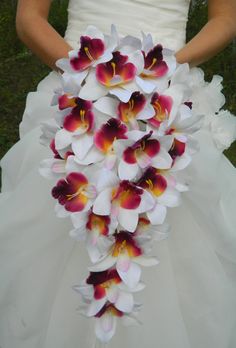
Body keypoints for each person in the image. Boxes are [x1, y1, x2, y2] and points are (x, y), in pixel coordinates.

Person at [0, 0, 236, 347]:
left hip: (166, 92)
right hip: (77, 89)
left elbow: (226, 19)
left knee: (177, 232)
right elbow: (29, 19)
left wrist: (162, 73)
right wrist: (87, 77)